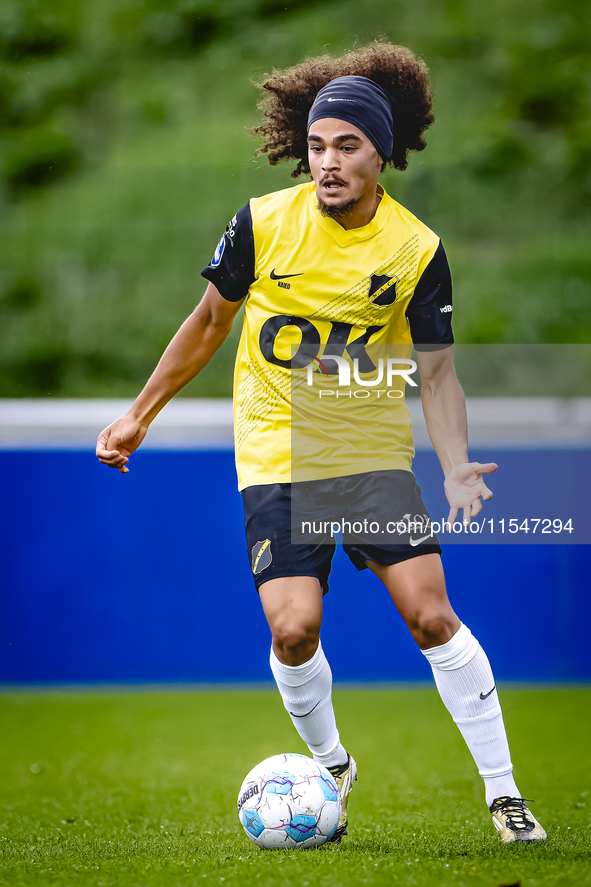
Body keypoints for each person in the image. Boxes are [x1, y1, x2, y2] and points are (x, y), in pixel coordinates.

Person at [96, 40, 546, 845]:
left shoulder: (414, 251)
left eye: (346, 145)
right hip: (276, 449)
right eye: (315, 146)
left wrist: (454, 467)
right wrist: (140, 413)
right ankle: (331, 763)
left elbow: (437, 376)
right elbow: (208, 324)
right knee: (292, 628)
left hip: (365, 447)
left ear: (382, 154)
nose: (326, 162)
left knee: (430, 615)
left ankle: (504, 793)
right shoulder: (262, 222)